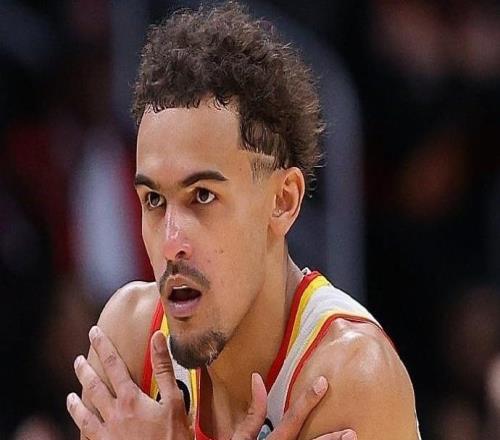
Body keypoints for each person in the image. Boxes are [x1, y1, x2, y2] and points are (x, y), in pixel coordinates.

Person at [66, 2, 421, 439]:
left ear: (283, 201)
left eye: (203, 196)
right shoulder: (129, 335)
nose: (171, 242)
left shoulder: (349, 378)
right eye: (154, 199)